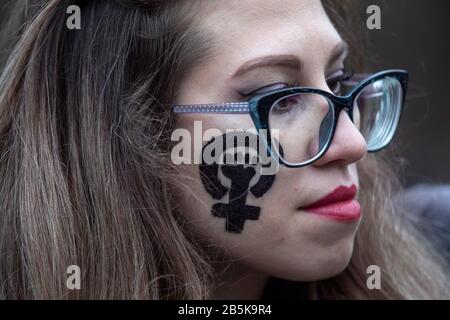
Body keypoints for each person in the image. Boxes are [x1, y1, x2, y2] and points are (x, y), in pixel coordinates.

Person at [0, 0, 448, 299]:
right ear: (130, 133)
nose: (351, 143)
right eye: (279, 97)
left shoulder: (439, 243)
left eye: (335, 80)